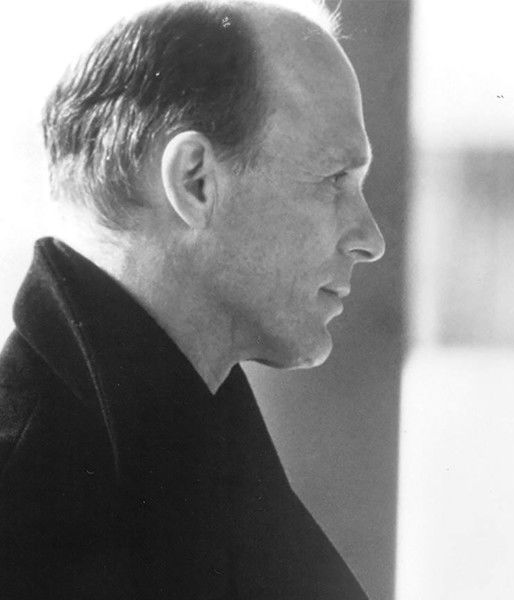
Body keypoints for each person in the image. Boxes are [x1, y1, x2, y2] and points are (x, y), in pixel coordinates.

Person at [0, 0, 385, 598]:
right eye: (335, 179)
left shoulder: (188, 455)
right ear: (194, 182)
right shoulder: (25, 512)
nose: (371, 240)